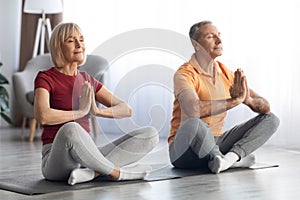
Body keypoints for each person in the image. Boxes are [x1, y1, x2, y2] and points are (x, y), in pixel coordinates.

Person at [34, 22, 159, 185]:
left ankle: (92, 172)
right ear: (58, 46)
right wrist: (80, 112)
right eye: (71, 41)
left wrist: (96, 111)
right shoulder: (45, 78)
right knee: (71, 128)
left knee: (150, 134)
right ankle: (118, 173)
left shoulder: (87, 79)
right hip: (56, 159)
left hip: (87, 155)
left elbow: (125, 109)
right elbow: (43, 116)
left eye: (81, 39)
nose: (79, 45)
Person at [168, 21, 280, 173]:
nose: (219, 41)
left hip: (216, 141)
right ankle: (224, 159)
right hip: (184, 151)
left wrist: (248, 99)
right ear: (196, 44)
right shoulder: (185, 74)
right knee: (194, 123)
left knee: (271, 119)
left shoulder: (224, 72)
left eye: (219, 36)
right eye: (210, 37)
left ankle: (228, 160)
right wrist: (234, 101)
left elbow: (265, 106)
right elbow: (194, 110)